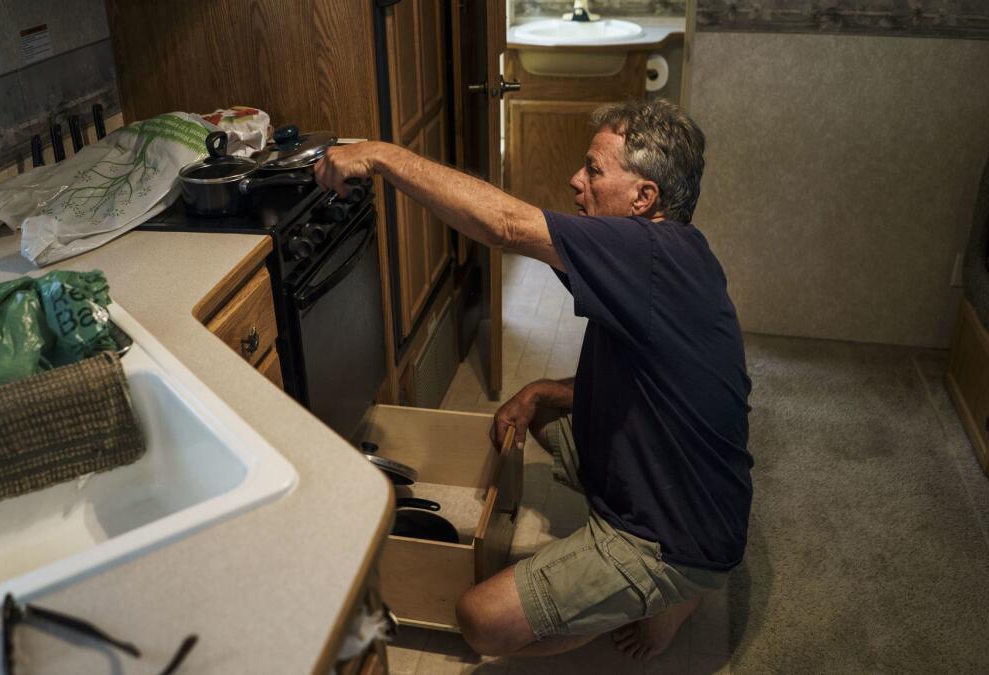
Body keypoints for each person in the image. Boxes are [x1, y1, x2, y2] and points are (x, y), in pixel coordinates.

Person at [314, 99, 752, 662]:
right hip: (681, 484)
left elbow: (504, 225)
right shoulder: (673, 251)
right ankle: (650, 581)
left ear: (644, 199)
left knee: (482, 622)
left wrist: (380, 156)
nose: (576, 181)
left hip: (680, 537)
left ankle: (669, 594)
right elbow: (656, 378)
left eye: (594, 170)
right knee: (540, 411)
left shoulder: (645, 254)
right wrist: (543, 391)